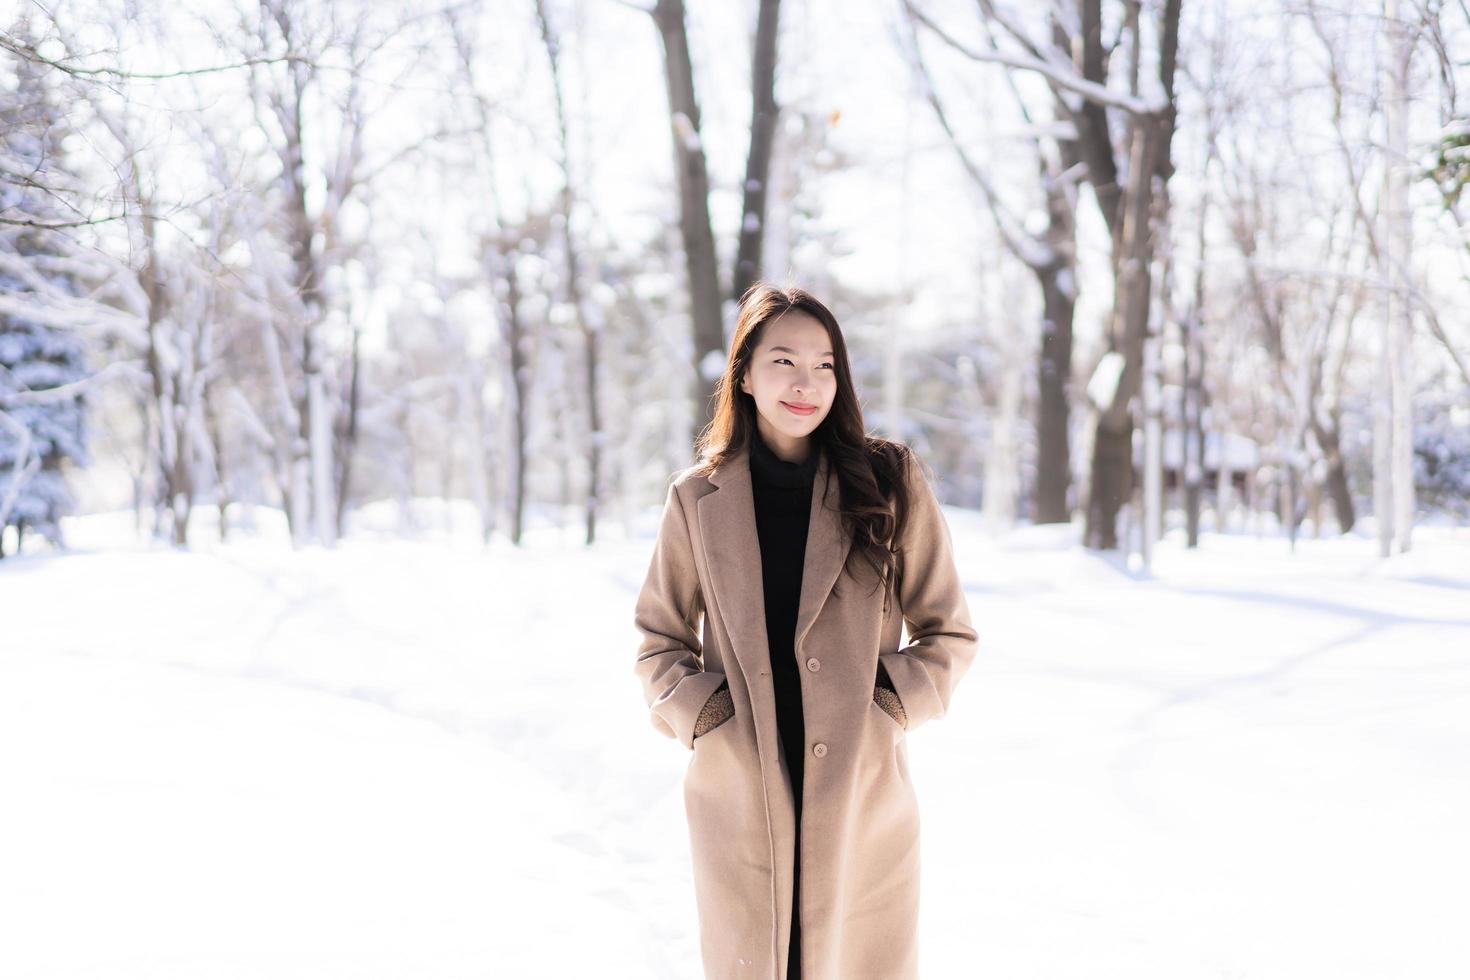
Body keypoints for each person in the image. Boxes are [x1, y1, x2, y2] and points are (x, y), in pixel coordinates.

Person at [633, 281, 978, 980]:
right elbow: (659, 639)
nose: (806, 383)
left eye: (825, 365)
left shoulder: (888, 480)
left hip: (861, 792)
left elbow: (949, 632)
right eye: (784, 362)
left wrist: (888, 701)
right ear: (746, 375)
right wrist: (708, 716)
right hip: (741, 788)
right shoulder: (698, 498)